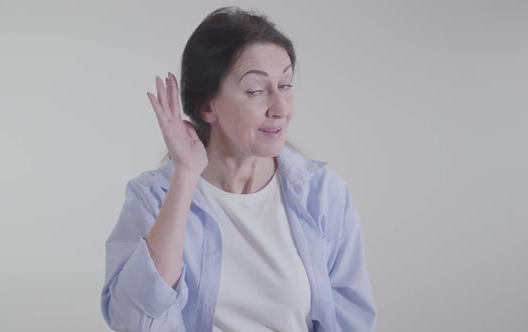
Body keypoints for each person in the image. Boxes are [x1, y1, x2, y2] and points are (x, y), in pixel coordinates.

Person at [101, 6, 376, 332]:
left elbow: (351, 322)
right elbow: (133, 321)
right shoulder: (152, 197)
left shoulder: (323, 194)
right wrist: (186, 174)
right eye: (256, 91)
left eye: (285, 85)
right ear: (207, 106)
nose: (280, 108)